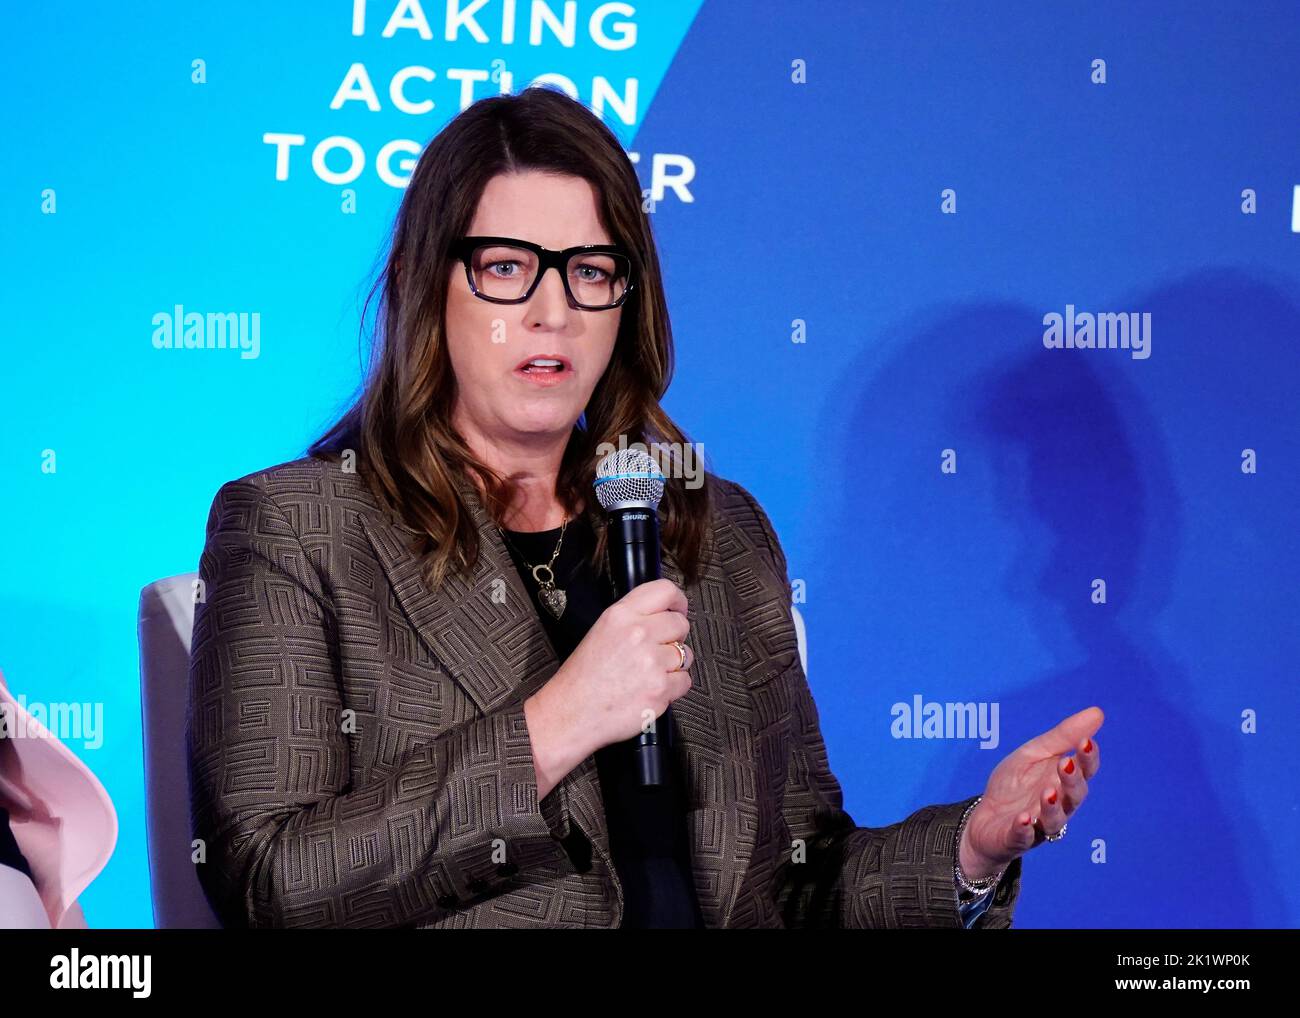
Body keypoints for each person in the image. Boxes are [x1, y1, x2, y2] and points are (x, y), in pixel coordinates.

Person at [186, 85, 1102, 929]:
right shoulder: (302, 528)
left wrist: (973, 847)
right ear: (434, 286)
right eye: (507, 268)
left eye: (590, 271)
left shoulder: (709, 529)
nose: (553, 311)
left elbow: (801, 879)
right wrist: (561, 720)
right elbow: (272, 880)